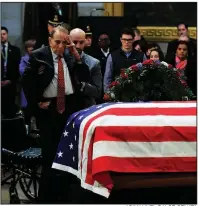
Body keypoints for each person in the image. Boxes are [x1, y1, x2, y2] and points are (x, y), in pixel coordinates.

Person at [22, 26, 94, 203]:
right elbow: (26, 82)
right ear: (49, 41)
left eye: (64, 42)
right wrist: (37, 102)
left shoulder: (70, 56)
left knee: (69, 157)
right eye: (57, 42)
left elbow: (84, 75)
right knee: (50, 157)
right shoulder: (39, 56)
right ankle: (47, 199)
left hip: (69, 109)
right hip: (49, 109)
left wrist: (74, 51)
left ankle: (66, 198)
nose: (60, 46)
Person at [104, 28, 145, 92]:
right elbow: (107, 78)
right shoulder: (112, 56)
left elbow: (145, 76)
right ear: (120, 39)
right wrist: (107, 94)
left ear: (133, 39)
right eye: (124, 39)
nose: (126, 42)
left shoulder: (141, 56)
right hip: (117, 93)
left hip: (137, 93)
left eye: (129, 40)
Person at [69, 28, 102, 107]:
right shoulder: (62, 60)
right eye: (75, 42)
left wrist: (81, 85)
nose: (78, 46)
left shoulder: (94, 63)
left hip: (85, 106)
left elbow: (98, 92)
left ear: (85, 42)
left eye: (81, 42)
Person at [1, 26, 21, 118]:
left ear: (7, 35)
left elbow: (18, 68)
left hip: (10, 84)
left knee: (10, 111)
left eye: (4, 34)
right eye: (0, 34)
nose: (2, 36)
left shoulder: (15, 50)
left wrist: (11, 80)